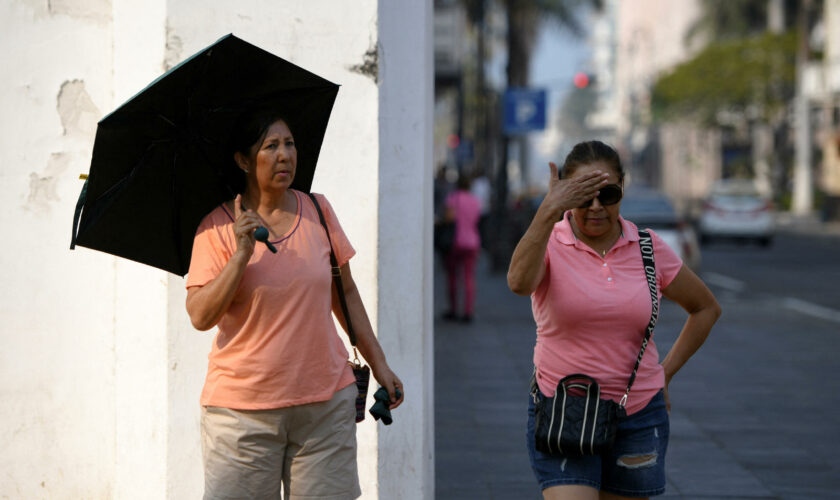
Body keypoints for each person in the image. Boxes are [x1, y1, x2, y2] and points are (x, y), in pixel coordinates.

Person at [185, 109, 404, 500]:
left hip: (324, 408)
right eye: (270, 146)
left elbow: (346, 294)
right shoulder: (216, 228)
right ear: (243, 161)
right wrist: (240, 255)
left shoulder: (318, 210)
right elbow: (200, 315)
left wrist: (380, 364)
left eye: (289, 143)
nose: (284, 155)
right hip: (242, 417)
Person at [507, 141, 721, 500]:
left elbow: (706, 308)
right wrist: (547, 211)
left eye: (606, 193)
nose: (595, 207)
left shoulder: (648, 248)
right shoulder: (548, 242)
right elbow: (518, 283)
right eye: (581, 195)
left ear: (622, 187)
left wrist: (665, 373)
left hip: (637, 416)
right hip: (564, 409)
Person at [443, 175, 483, 323]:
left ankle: (453, 309)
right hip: (472, 242)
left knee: (453, 277)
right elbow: (477, 220)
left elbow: (449, 218)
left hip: (456, 242)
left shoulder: (453, 198)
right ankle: (468, 311)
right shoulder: (475, 201)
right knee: (469, 277)